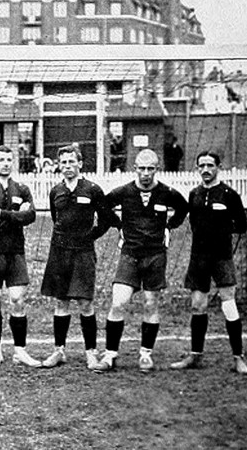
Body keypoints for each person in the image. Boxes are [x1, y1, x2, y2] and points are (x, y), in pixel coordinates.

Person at [91, 149, 189, 373]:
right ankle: (110, 355)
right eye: (141, 168)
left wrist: (169, 226)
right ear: (134, 168)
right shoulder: (124, 191)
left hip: (155, 256)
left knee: (150, 303)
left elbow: (183, 208)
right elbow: (103, 206)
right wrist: (118, 224)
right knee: (118, 302)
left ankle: (146, 354)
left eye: (150, 169)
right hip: (130, 255)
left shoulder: (167, 193)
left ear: (157, 169)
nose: (145, 173)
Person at [171, 151, 247, 374]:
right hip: (199, 258)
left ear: (219, 167)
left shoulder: (229, 195)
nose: (205, 170)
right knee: (198, 305)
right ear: (197, 168)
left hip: (222, 258)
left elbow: (241, 225)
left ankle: (238, 357)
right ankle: (195, 356)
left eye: (210, 165)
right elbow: (194, 224)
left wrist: (221, 232)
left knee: (229, 304)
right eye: (201, 166)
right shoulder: (194, 194)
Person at [39, 144, 116, 370]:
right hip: (59, 252)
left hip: (83, 252)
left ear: (80, 164)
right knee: (61, 301)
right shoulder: (56, 191)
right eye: (63, 162)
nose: (67, 166)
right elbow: (56, 218)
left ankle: (91, 353)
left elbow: (106, 219)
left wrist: (89, 236)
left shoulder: (92, 189)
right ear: (59, 166)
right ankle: (59, 350)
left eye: (72, 162)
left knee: (85, 302)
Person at [0, 145, 40, 368]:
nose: (5, 163)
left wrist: (1, 213)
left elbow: (30, 216)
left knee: (17, 299)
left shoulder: (21, 188)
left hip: (15, 251)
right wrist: (15, 215)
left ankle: (20, 351)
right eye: (0, 160)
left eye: (8, 160)